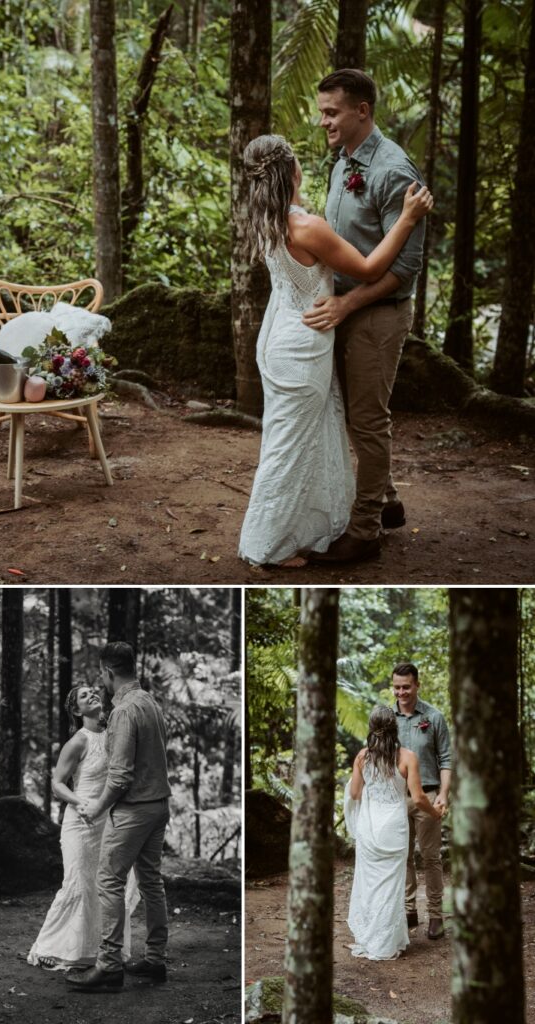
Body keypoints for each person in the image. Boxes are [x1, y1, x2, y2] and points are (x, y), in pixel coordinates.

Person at [237, 132, 432, 567]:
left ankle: (314, 523)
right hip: (302, 346)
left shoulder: (267, 219)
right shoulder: (307, 226)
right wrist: (406, 217)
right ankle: (266, 547)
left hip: (278, 339)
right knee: (287, 448)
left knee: (298, 441)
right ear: (292, 171)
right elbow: (367, 267)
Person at [306, 70, 427, 564]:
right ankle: (389, 499)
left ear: (362, 111)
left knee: (369, 422)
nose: (323, 122)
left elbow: (407, 267)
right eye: (321, 112)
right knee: (353, 415)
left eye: (331, 112)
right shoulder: (344, 159)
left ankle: (365, 530)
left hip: (377, 314)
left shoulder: (395, 171)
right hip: (344, 306)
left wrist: (347, 304)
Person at [66, 642, 171, 993]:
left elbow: (120, 775)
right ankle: (155, 960)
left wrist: (97, 807)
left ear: (109, 672)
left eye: (101, 674)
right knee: (151, 882)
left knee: (108, 880)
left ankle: (109, 966)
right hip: (159, 804)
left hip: (135, 809)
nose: (100, 681)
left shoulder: (126, 710)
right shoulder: (151, 703)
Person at [27, 684, 138, 970]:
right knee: (77, 883)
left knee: (106, 886)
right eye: (84, 695)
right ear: (77, 710)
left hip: (109, 820)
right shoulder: (78, 741)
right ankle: (50, 946)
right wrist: (81, 804)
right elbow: (57, 784)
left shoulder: (115, 736)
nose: (92, 695)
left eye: (93, 691)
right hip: (80, 821)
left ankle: (96, 950)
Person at [345, 705, 443, 960]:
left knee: (370, 884)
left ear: (371, 728)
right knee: (391, 884)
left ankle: (372, 936)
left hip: (369, 827)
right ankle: (387, 940)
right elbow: (419, 798)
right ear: (395, 727)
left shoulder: (362, 757)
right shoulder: (408, 757)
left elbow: (355, 794)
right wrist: (436, 813)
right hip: (393, 828)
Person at [391, 661, 452, 939]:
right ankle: (408, 910)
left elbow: (447, 760)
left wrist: (443, 794)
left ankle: (436, 915)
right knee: (401, 856)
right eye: (396, 687)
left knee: (431, 857)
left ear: (417, 685)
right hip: (395, 796)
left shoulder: (434, 717)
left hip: (426, 796)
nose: (401, 692)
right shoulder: (387, 718)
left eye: (406, 687)